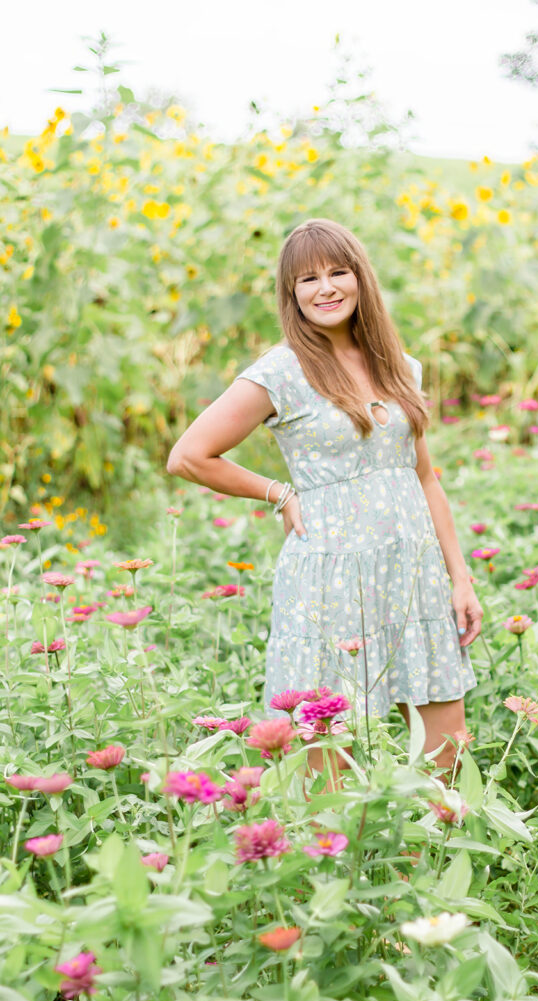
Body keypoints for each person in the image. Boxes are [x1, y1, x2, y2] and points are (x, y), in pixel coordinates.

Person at [166, 218, 483, 783]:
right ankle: (335, 864)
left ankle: (427, 864)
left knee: (446, 758)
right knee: (328, 763)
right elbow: (189, 455)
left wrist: (460, 577)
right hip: (329, 582)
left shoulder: (397, 365)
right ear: (292, 294)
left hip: (412, 575)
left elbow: (425, 477)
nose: (326, 288)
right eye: (307, 279)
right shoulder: (281, 371)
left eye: (338, 272)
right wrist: (276, 491)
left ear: (361, 279)